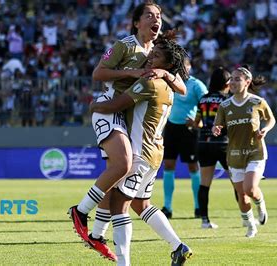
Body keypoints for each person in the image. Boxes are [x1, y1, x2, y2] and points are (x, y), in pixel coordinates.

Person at [68, 1, 187, 261]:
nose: (156, 20)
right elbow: (98, 73)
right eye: (150, 15)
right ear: (136, 22)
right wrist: (133, 73)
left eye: (159, 16)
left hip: (123, 115)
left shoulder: (158, 52)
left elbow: (183, 85)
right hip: (108, 110)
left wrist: (165, 75)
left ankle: (97, 235)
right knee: (122, 166)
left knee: (117, 179)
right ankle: (81, 212)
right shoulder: (126, 45)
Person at [89, 31, 192, 266]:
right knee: (140, 204)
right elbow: (181, 86)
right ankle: (178, 246)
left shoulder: (149, 82)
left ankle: (122, 262)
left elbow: (116, 104)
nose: (149, 58)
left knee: (118, 204)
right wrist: (165, 72)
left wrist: (94, 105)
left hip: (140, 153)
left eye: (155, 57)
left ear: (165, 65)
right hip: (154, 152)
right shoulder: (168, 85)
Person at [212, 65, 276, 238]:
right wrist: (216, 128)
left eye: (237, 79)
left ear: (247, 82)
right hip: (234, 154)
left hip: (255, 151)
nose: (232, 82)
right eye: (231, 79)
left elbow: (271, 119)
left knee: (249, 188)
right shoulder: (224, 105)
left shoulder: (257, 102)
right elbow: (217, 124)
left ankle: (260, 204)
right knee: (241, 194)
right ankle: (250, 225)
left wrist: (265, 130)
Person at [161, 58, 208, 219]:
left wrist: (198, 122)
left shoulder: (196, 85)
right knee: (168, 165)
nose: (181, 69)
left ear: (189, 67)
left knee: (193, 167)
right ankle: (167, 207)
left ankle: (198, 206)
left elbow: (207, 105)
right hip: (171, 127)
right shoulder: (170, 81)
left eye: (184, 66)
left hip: (189, 130)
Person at [194, 67, 231, 229]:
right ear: (226, 83)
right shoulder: (227, 100)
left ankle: (205, 220)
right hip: (223, 143)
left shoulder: (203, 99)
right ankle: (246, 218)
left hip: (204, 143)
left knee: (204, 183)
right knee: (237, 181)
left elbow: (197, 123)